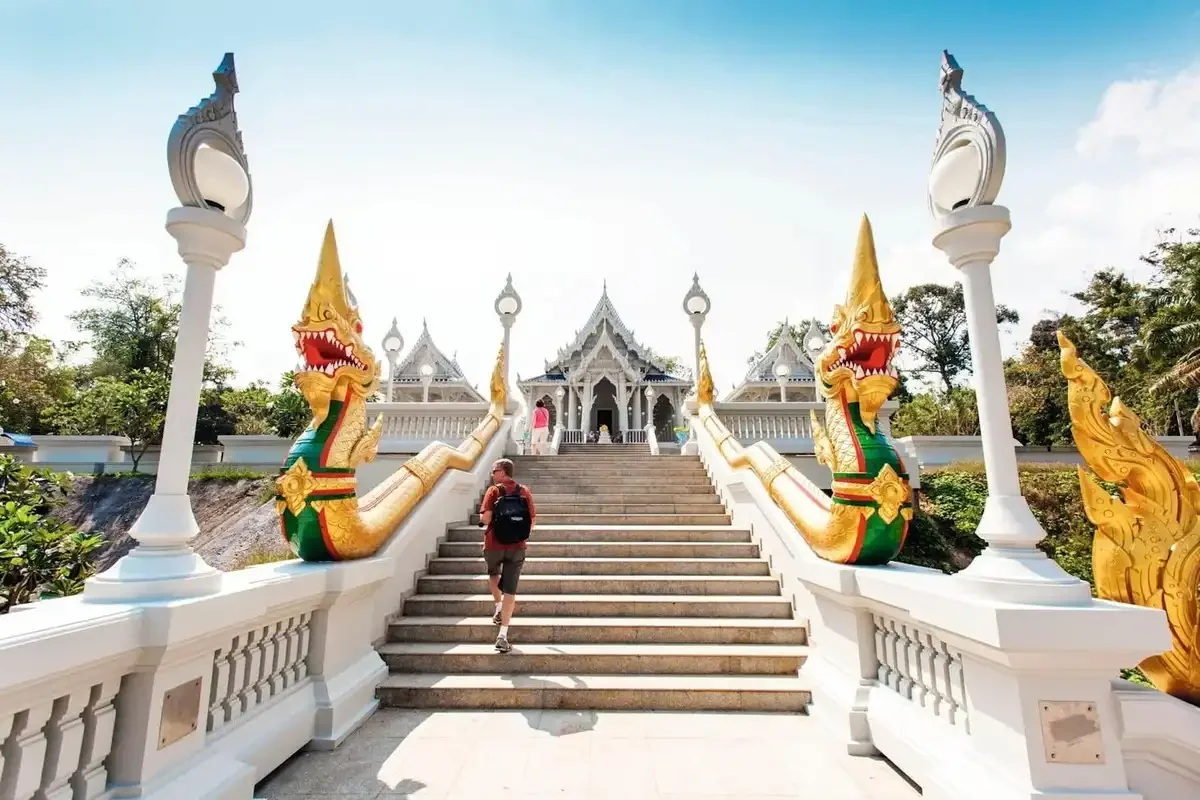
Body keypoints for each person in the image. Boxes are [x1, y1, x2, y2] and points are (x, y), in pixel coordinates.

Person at [479, 458, 536, 653]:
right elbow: (532, 521)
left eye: (495, 471)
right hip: (517, 546)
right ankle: (503, 634)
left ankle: (497, 606)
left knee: (493, 573)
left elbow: (485, 518)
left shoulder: (494, 491)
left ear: (503, 472)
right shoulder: (524, 492)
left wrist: (485, 520)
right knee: (511, 590)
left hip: (494, 543)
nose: (492, 474)